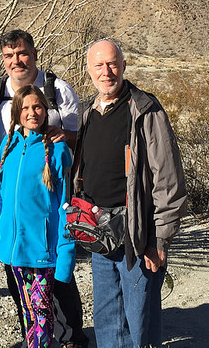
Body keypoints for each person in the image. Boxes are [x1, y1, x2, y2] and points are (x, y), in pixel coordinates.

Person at [74, 40, 187, 348]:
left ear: (124, 66)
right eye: (98, 65)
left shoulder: (145, 110)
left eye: (112, 64)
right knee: (107, 314)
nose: (106, 72)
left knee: (140, 318)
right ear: (89, 71)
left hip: (138, 236)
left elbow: (168, 180)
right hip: (99, 231)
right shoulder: (86, 113)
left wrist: (159, 239)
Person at [0, 29, 88, 348]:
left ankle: (72, 337)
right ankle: (38, 338)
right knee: (23, 296)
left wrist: (61, 136)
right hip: (14, 216)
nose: (17, 60)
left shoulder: (58, 90)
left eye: (22, 53)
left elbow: (79, 139)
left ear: (34, 53)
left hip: (47, 202)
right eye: (9, 55)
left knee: (58, 286)